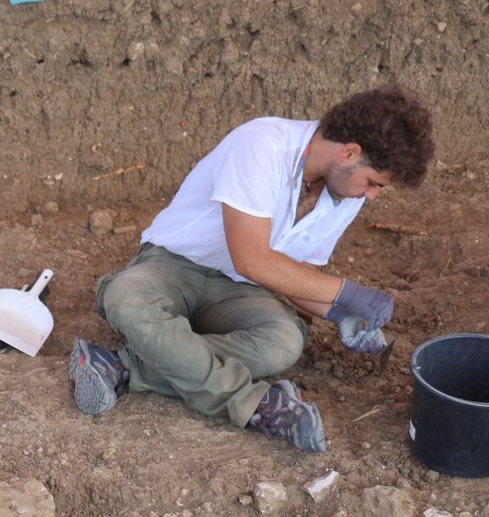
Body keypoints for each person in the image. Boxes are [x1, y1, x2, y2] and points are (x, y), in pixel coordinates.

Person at [71, 87, 435, 452]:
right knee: (127, 298)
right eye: (373, 182)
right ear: (350, 152)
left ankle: (124, 365)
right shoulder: (262, 145)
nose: (372, 195)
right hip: (171, 267)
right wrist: (346, 293)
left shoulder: (344, 194)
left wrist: (337, 313)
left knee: (284, 342)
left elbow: (297, 275)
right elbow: (251, 258)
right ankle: (255, 406)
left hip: (239, 290)